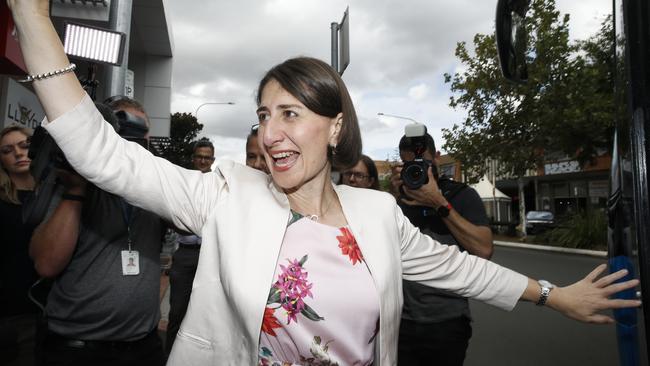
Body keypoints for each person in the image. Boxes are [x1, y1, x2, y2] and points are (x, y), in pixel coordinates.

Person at [7, 3, 641, 364]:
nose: (272, 132)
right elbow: (100, 153)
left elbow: (464, 271)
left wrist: (555, 297)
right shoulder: (225, 194)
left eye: (291, 114)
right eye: (263, 116)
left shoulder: (377, 215)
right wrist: (31, 16)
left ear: (334, 128)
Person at [29, 100, 167, 366]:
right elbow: (46, 264)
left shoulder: (155, 189)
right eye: (123, 127)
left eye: (141, 131)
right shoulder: (72, 183)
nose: (131, 139)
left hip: (143, 346)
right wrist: (77, 190)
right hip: (78, 348)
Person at [391, 132, 492, 365]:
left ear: (436, 157)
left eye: (422, 163)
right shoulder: (398, 202)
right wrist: (395, 199)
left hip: (447, 320)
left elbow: (484, 250)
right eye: (409, 165)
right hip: (401, 321)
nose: (416, 170)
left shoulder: (461, 195)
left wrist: (438, 203)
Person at [165, 138, 214, 354]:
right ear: (193, 158)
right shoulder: (182, 183)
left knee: (207, 314)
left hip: (210, 256)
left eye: (207, 157)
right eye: (200, 156)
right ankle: (169, 356)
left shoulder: (218, 184)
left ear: (213, 160)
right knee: (177, 311)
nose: (203, 160)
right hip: (185, 255)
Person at [0, 126, 39, 366]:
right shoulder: (2, 202)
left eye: (24, 146)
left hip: (57, 312)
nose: (18, 153)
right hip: (12, 314)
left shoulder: (55, 195)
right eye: (7, 150)